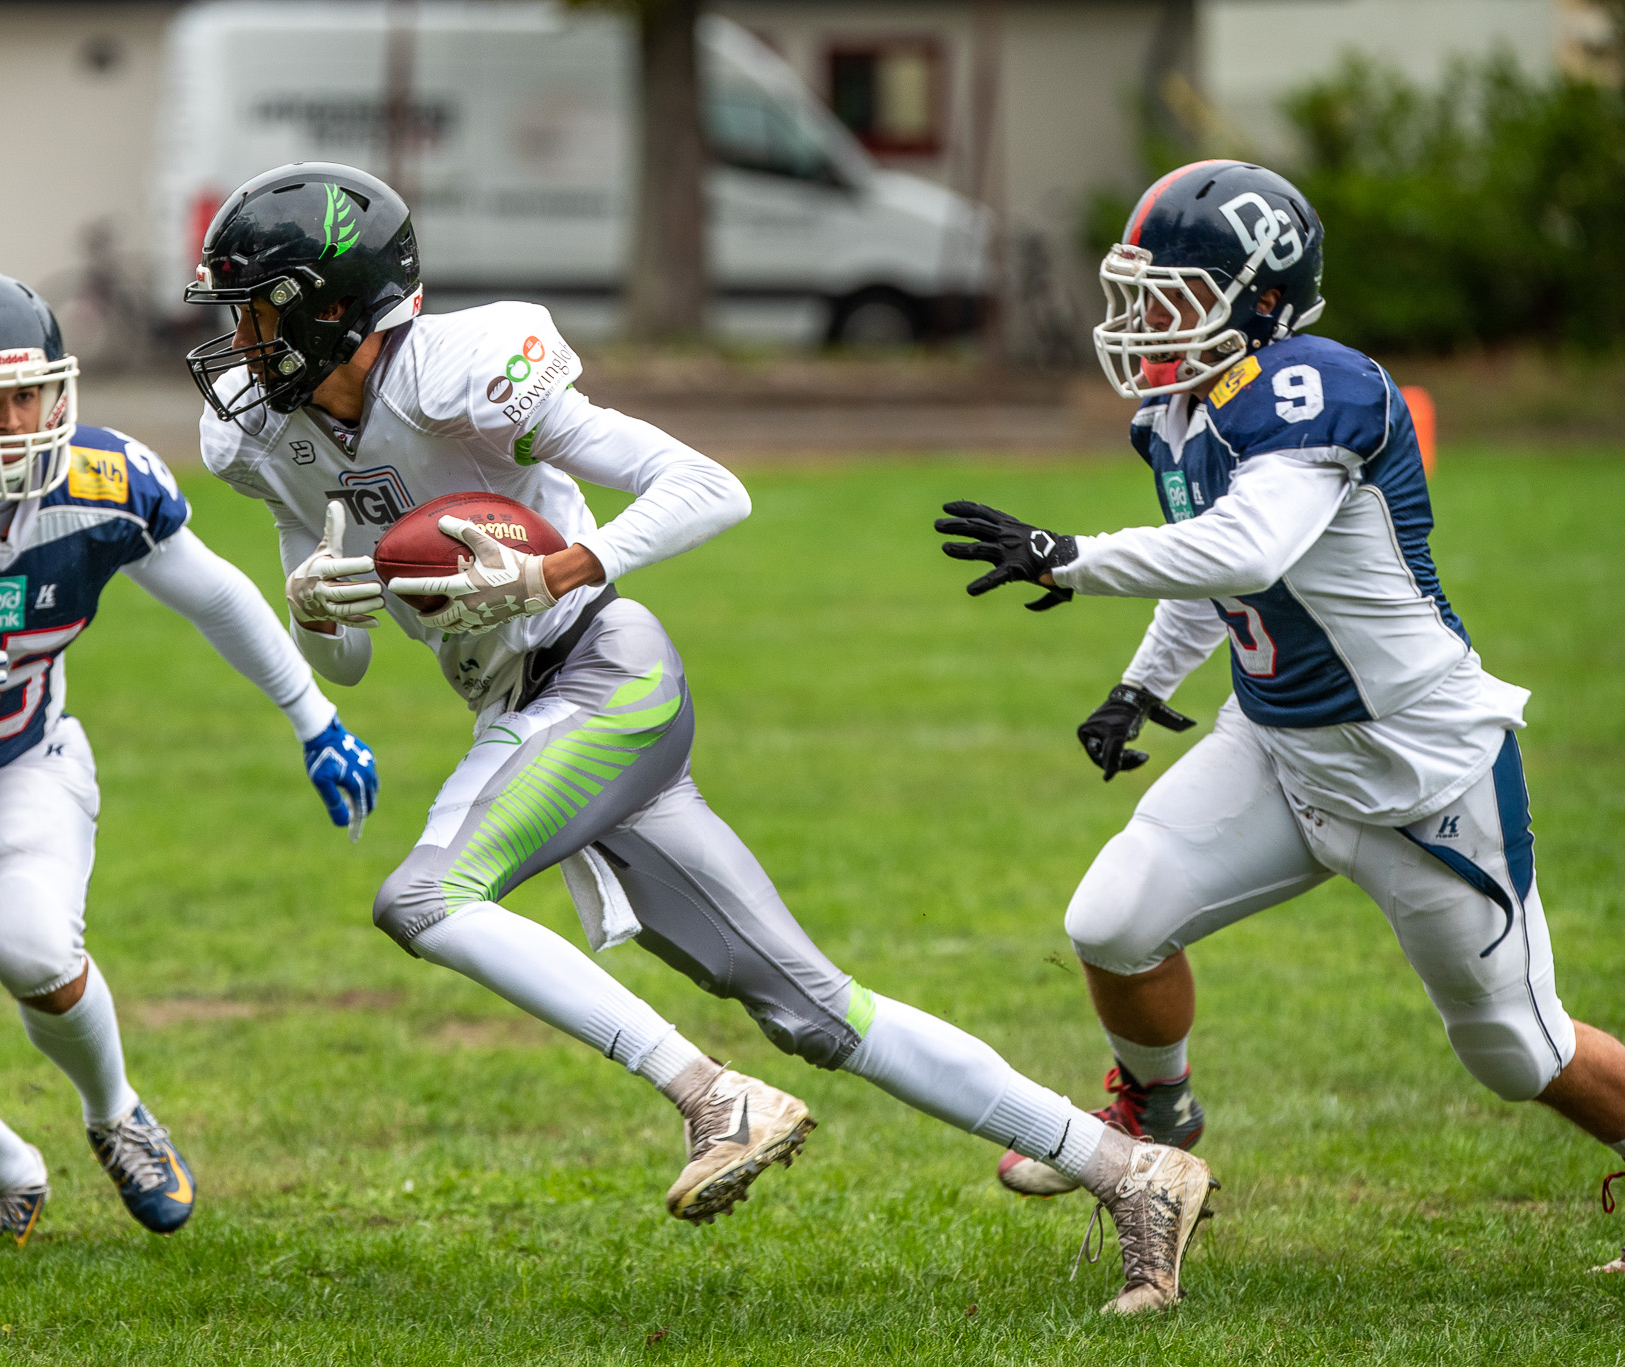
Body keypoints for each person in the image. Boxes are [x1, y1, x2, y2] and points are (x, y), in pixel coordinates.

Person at [183, 162, 1215, 1313]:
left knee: (426, 899)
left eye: (261, 308)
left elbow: (705, 484)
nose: (241, 339)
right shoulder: (261, 438)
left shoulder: (456, 372)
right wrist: (316, 609)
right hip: (527, 708)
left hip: (599, 665)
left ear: (339, 304)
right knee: (819, 1012)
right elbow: (345, 658)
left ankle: (710, 1095)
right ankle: (1131, 1169)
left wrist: (563, 560)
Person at [935, 160, 1625, 1270]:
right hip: (1275, 745)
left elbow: (1250, 544)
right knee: (1110, 918)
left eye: (1167, 293)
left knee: (1513, 1047)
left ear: (1254, 297)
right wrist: (1140, 685)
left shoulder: (1316, 386)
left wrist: (1066, 556)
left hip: (1416, 767)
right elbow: (1220, 582)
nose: (1142, 318)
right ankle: (1157, 1123)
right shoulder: (1176, 412)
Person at [0, 271, 378, 1245]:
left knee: (31, 942)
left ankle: (116, 1111)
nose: (14, 422)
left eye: (31, 393)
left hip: (21, 760)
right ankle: (12, 1172)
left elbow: (215, 595)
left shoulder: (100, 480)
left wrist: (314, 717)